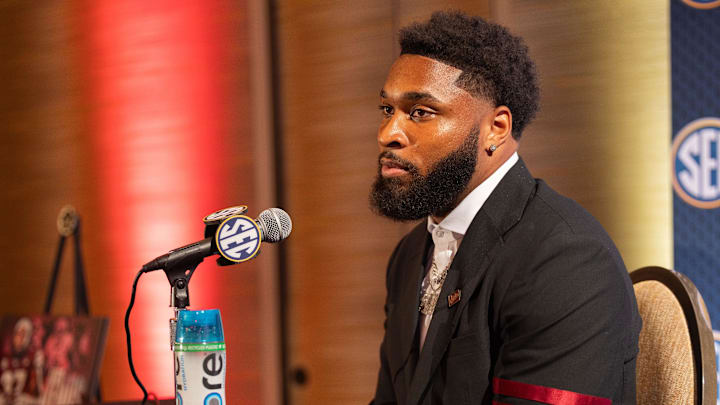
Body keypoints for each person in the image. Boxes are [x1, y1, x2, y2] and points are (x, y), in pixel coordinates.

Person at [369, 11, 641, 405]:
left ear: (496, 128)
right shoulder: (409, 255)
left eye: (419, 113)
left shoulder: (566, 260)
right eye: (386, 110)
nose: (387, 134)